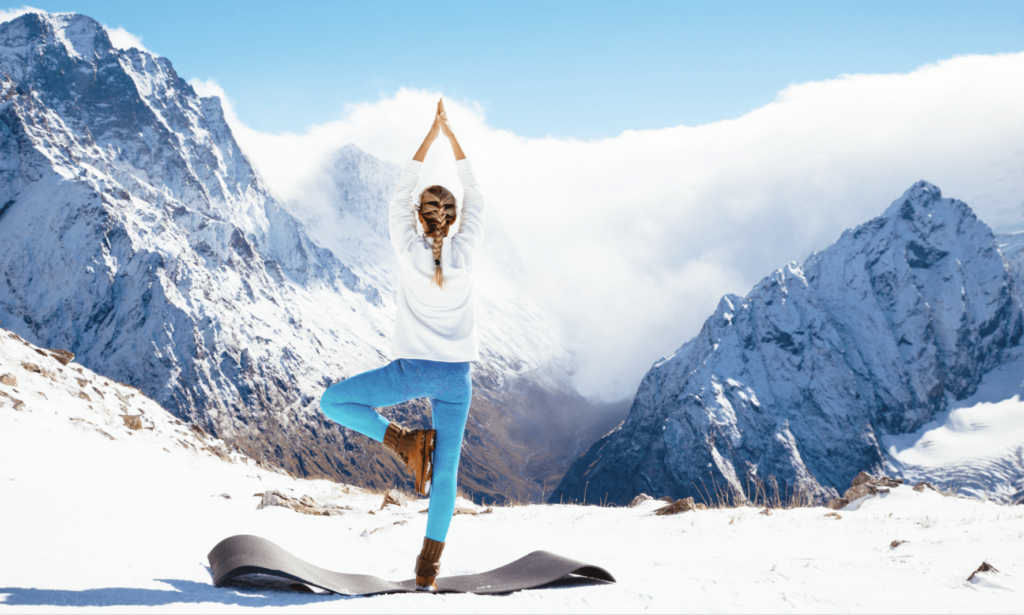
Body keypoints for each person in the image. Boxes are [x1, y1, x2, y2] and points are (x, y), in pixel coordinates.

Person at [319, 99, 484, 591]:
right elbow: (475, 190)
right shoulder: (468, 249)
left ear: (419, 216)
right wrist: (451, 138)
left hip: (410, 371)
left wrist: (428, 137)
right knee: (447, 473)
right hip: (456, 379)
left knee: (334, 401)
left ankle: (403, 442)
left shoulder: (407, 249)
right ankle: (426, 573)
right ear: (453, 220)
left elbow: (397, 195)